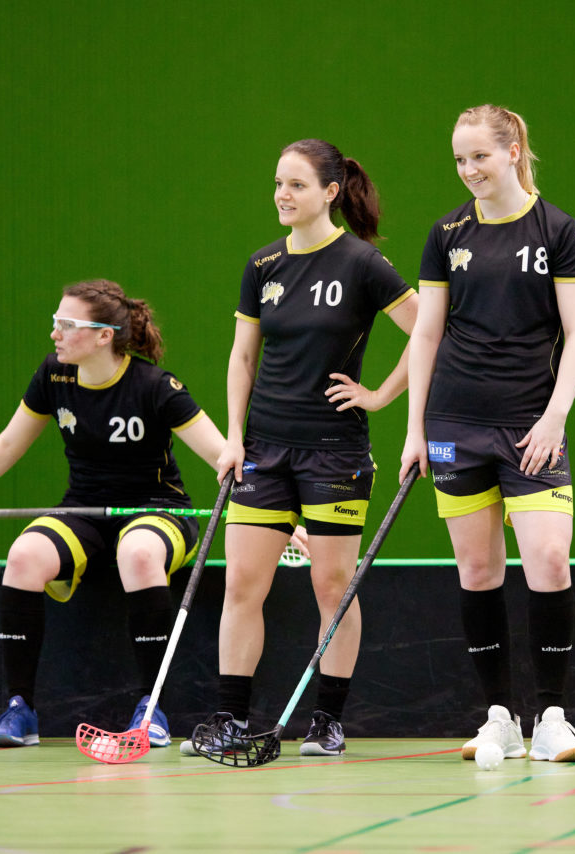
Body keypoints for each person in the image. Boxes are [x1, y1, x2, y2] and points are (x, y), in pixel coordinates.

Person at [0, 280, 229, 748]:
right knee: (23, 556)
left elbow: (223, 457)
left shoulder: (155, 386)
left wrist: (282, 520)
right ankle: (20, 709)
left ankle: (151, 707)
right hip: (83, 511)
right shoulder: (53, 376)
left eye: (66, 324)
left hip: (158, 510)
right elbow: (8, 444)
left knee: (137, 553)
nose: (54, 333)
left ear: (102, 336)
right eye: (56, 322)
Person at [186, 139, 417, 758]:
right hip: (265, 448)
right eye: (278, 184)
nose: (281, 196)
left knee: (333, 584)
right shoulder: (263, 266)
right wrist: (233, 439)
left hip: (335, 453)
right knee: (243, 583)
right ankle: (231, 718)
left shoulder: (364, 265)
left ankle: (327, 720)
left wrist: (379, 396)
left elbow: (431, 334)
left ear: (330, 192)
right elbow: (242, 357)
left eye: (295, 185)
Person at [399, 105, 575, 763]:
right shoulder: (446, 233)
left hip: (531, 425)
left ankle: (552, 718)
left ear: (514, 151)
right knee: (477, 569)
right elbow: (426, 333)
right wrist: (414, 430)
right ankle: (500, 718)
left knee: (548, 559)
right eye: (460, 159)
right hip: (454, 422)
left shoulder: (560, 231)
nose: (469, 170)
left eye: (480, 156)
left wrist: (555, 416)